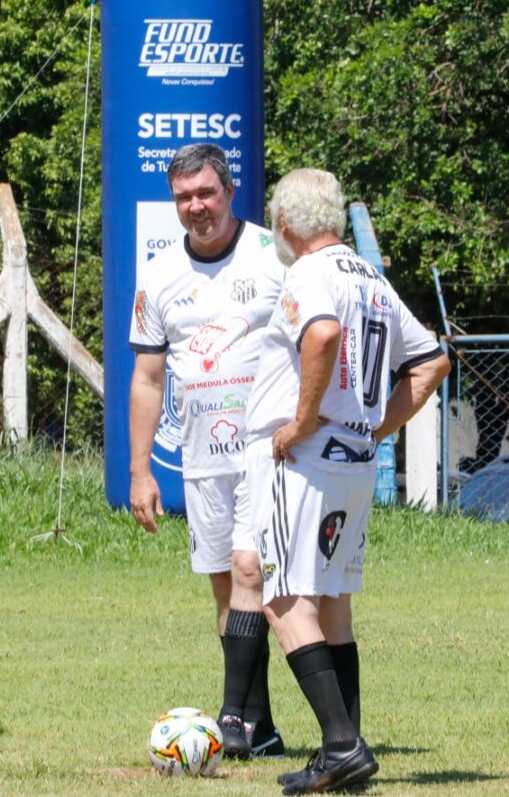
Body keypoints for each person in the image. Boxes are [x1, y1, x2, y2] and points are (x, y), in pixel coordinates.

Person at [246, 168, 450, 794]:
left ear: (284, 224)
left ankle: (339, 745)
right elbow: (432, 358)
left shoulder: (307, 272)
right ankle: (350, 750)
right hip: (353, 459)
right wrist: (378, 427)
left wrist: (302, 420)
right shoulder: (371, 276)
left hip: (301, 460)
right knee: (332, 604)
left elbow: (325, 333)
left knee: (281, 600)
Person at [128, 143, 286, 758]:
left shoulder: (276, 254)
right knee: (229, 591)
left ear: (229, 191)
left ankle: (230, 722)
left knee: (251, 573)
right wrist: (141, 471)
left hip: (267, 451)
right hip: (200, 457)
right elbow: (145, 378)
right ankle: (262, 725)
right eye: (184, 198)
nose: (196, 207)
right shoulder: (161, 273)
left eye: (206, 194)